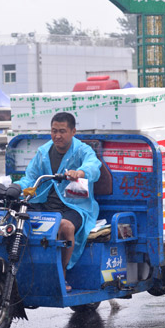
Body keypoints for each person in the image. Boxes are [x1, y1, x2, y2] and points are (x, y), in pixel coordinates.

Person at [15, 112, 101, 292]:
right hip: (45, 203)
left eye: (62, 131)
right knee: (16, 217)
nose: (57, 136)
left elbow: (93, 166)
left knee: (65, 227)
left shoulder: (82, 150)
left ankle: (61, 272)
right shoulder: (43, 152)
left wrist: (80, 173)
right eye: (54, 131)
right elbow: (30, 178)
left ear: (73, 131)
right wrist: (13, 187)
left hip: (74, 206)